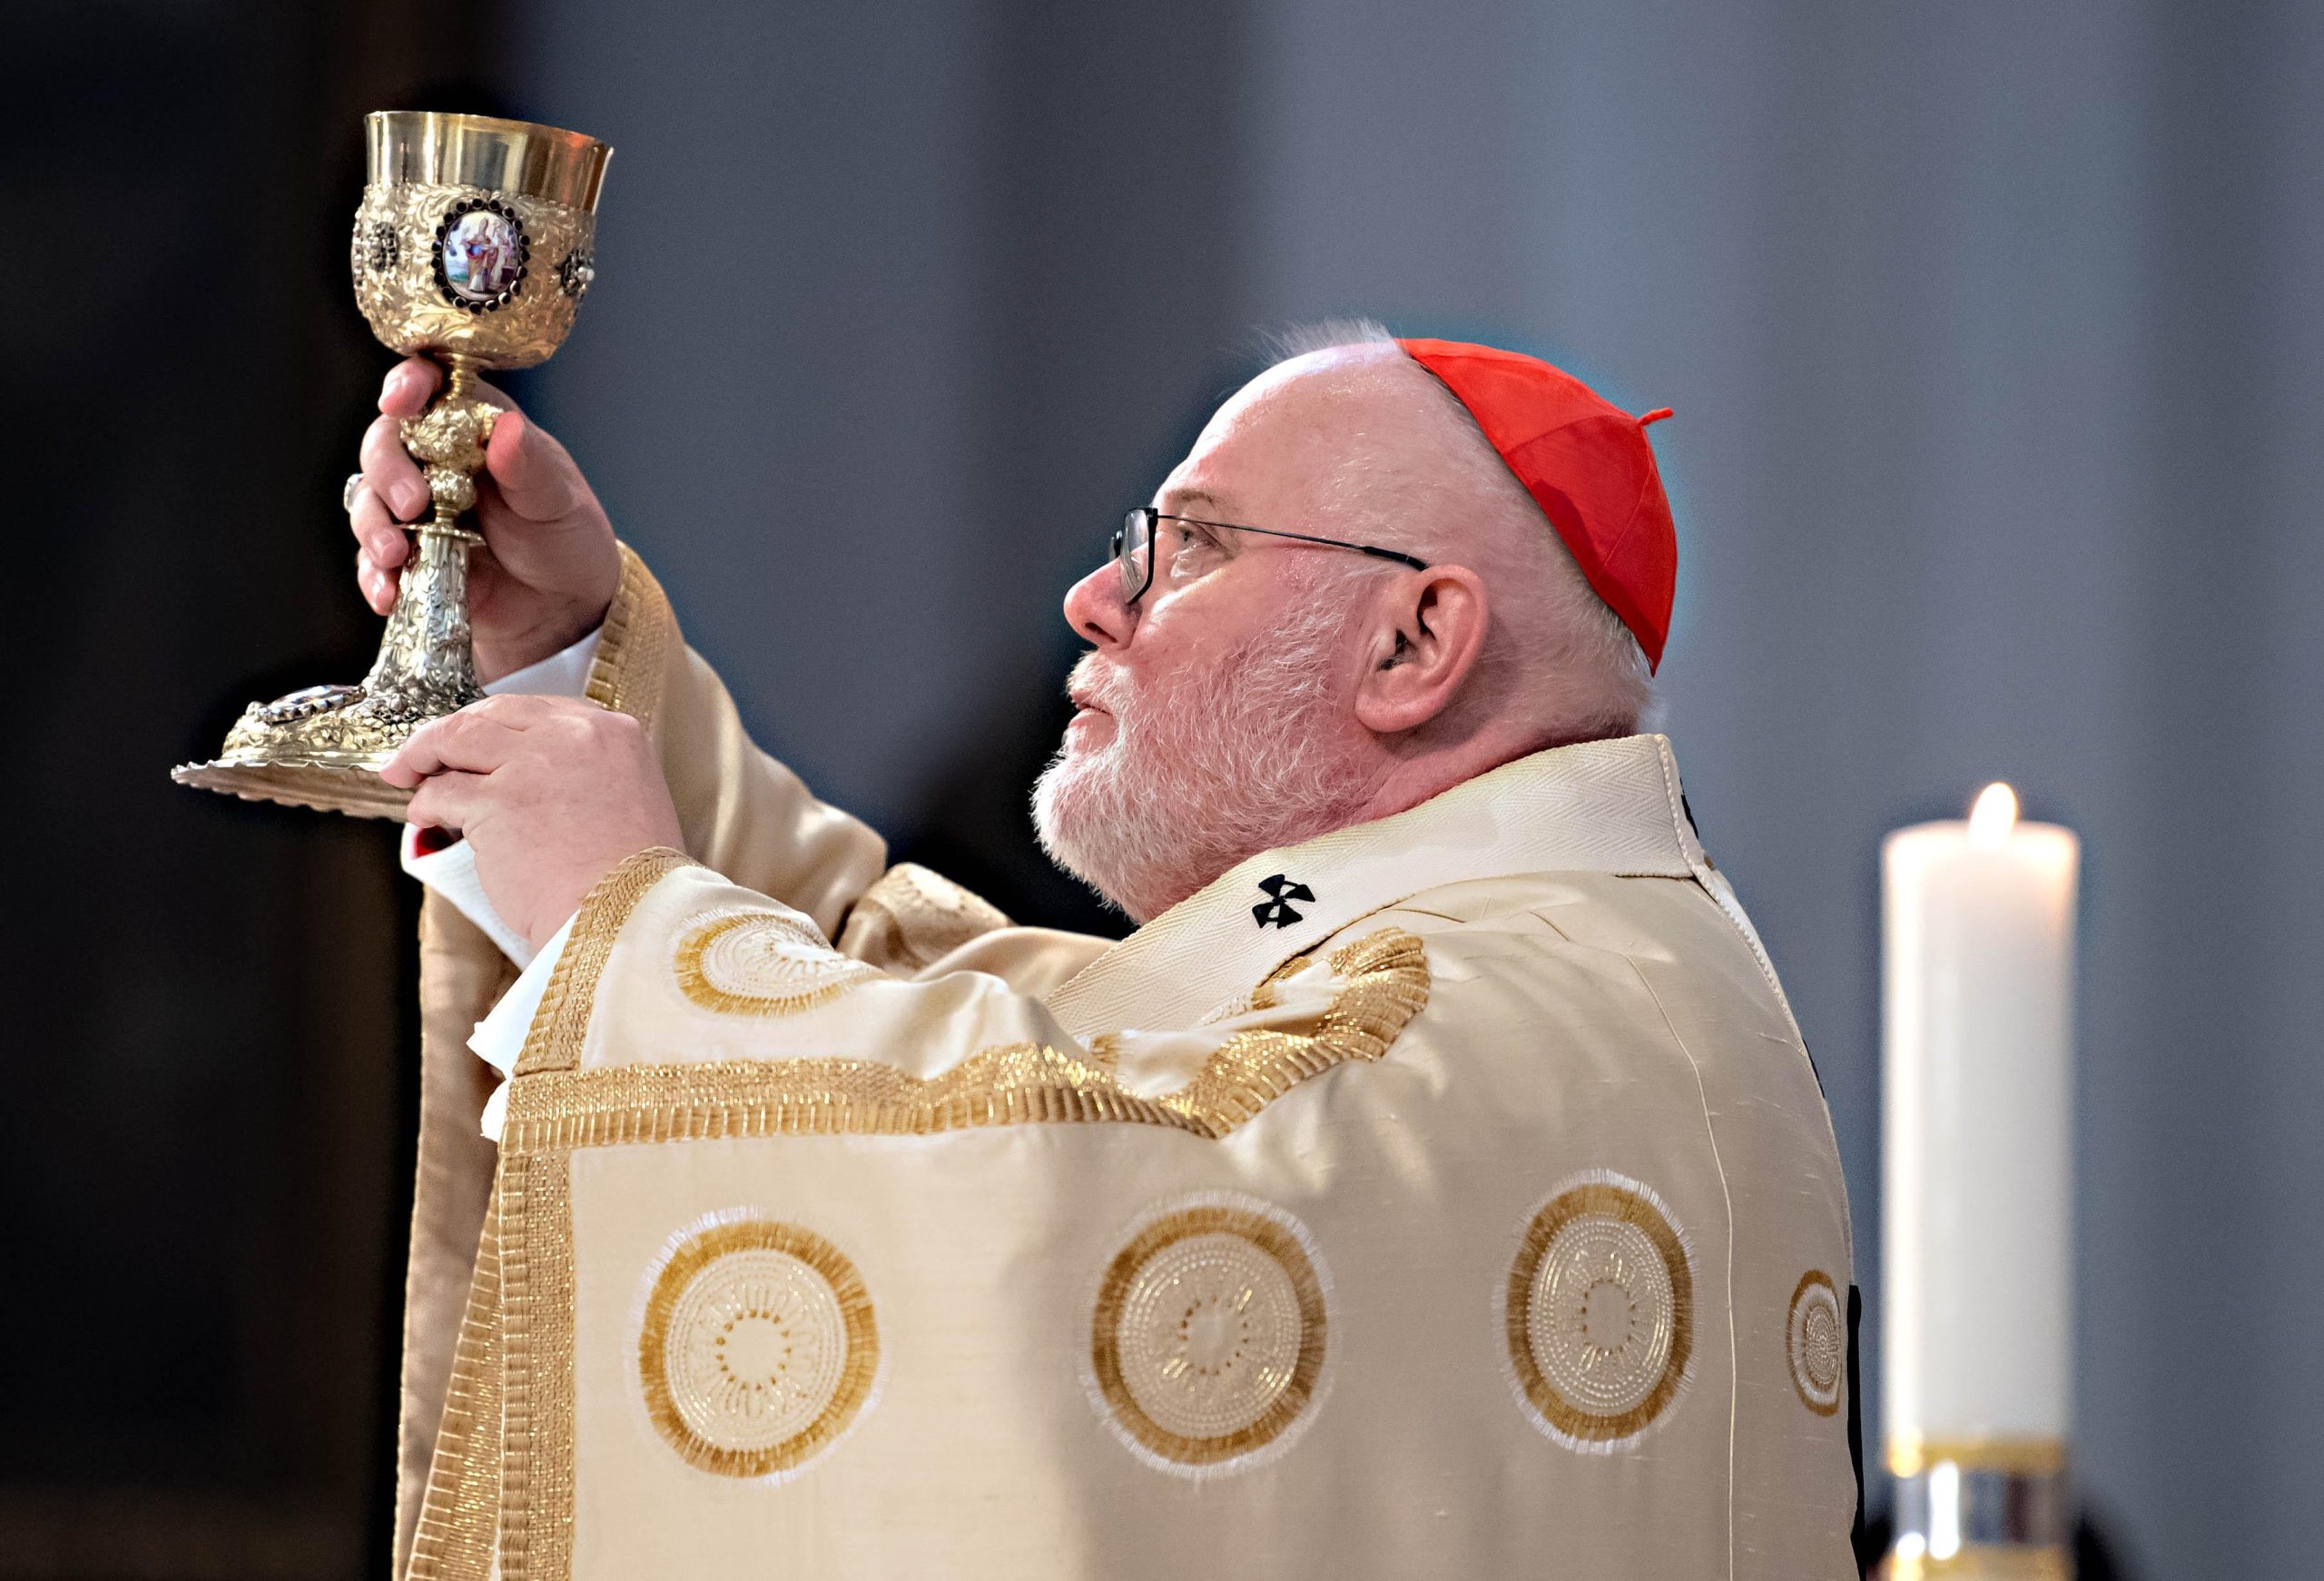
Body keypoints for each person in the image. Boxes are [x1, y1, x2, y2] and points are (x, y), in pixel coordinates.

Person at [348, 322, 1856, 1579]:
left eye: (1191, 544)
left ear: (1413, 643)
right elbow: (949, 1002)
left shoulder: (1553, 1004)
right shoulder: (1486, 940)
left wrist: (634, 942)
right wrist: (565, 661)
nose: (1096, 598)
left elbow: (1067, 1194)